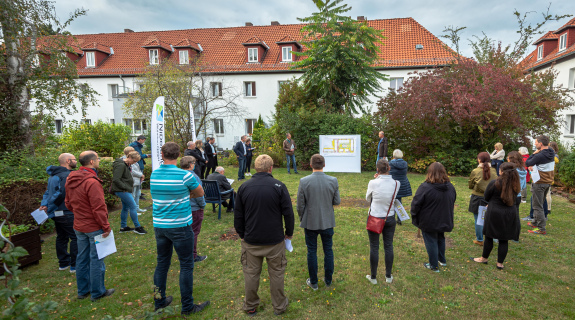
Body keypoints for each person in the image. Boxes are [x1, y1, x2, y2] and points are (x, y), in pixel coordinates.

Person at [150, 142, 210, 315]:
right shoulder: (185, 176)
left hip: (160, 225)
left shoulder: (154, 174)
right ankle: (188, 306)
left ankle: (158, 300)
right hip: (180, 226)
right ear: (178, 156)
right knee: (186, 265)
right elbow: (200, 193)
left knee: (161, 264)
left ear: (162, 154)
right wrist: (185, 194)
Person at [234, 154, 294, 316]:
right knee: (276, 274)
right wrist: (289, 233)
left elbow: (238, 215)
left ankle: (253, 305)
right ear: (270, 168)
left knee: (252, 274)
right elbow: (288, 213)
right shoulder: (278, 186)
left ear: (256, 168)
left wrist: (241, 233)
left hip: (256, 239)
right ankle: (278, 306)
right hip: (270, 240)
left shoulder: (245, 187)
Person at [65, 151, 114, 302]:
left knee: (82, 258)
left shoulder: (71, 179)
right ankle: (97, 292)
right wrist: (105, 226)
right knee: (96, 259)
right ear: (92, 162)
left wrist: (80, 213)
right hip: (92, 226)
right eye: (98, 158)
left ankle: (83, 291)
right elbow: (98, 207)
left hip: (79, 225)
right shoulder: (91, 181)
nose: (99, 160)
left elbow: (68, 203)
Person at [297, 154, 341, 290]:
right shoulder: (332, 180)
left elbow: (300, 206)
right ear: (324, 165)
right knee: (328, 250)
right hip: (327, 221)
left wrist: (302, 218)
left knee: (312, 251)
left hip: (310, 221)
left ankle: (314, 282)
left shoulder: (304, 181)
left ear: (311, 165)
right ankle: (328, 280)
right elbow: (337, 201)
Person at [471, 163, 521, 270]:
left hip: (494, 212)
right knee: (504, 239)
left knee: (489, 236)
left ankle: (484, 258)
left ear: (502, 171)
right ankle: (500, 263)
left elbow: (486, 196)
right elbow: (516, 199)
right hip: (509, 212)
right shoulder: (515, 184)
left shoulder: (495, 183)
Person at [411, 162, 456, 273]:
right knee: (440, 237)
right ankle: (441, 260)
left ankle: (434, 265)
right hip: (443, 218)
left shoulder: (428, 187)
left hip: (430, 220)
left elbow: (415, 204)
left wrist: (415, 214)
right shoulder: (448, 187)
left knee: (432, 240)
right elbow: (417, 203)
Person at [39, 153, 78, 273]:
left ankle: (63, 264)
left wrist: (45, 204)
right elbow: (60, 194)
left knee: (61, 237)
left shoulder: (53, 176)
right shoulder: (67, 175)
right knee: (75, 237)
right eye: (74, 159)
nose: (76, 161)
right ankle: (74, 265)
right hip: (65, 211)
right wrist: (50, 206)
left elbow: (47, 192)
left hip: (58, 213)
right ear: (68, 161)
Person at [365, 159, 399, 285]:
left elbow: (368, 198)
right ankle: (388, 276)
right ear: (389, 168)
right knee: (388, 246)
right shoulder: (396, 183)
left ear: (378, 170)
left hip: (375, 216)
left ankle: (373, 277)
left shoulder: (373, 183)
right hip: (389, 217)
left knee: (374, 247)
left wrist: (375, 180)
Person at [525, 135, 555, 235]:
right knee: (540, 203)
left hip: (539, 182)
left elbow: (527, 162)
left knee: (537, 206)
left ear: (541, 144)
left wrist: (534, 153)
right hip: (547, 182)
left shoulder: (540, 155)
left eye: (536, 142)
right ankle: (535, 222)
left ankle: (541, 228)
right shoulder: (551, 151)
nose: (535, 144)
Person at [180, 156, 208, 263]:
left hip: (183, 207)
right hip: (194, 208)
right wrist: (202, 205)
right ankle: (192, 255)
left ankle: (185, 253)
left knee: (185, 232)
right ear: (191, 164)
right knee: (193, 232)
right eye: (194, 163)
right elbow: (199, 194)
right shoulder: (193, 177)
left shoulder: (179, 175)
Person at [111, 151, 147, 234]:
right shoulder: (120, 165)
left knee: (126, 208)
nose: (134, 163)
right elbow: (116, 179)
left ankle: (123, 227)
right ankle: (137, 227)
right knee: (133, 206)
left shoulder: (126, 165)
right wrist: (126, 187)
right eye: (134, 161)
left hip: (124, 189)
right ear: (129, 157)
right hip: (122, 190)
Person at [468, 152, 497, 246]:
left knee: (478, 219)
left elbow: (470, 184)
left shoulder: (475, 171)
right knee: (488, 218)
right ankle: (492, 237)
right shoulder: (493, 171)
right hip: (490, 198)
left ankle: (480, 239)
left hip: (477, 197)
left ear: (479, 160)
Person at [389, 149, 412, 225]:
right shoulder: (405, 163)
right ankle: (399, 219)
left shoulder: (391, 163)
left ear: (393, 155)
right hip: (402, 184)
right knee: (399, 201)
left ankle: (392, 218)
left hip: (393, 184)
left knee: (392, 201)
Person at [123, 146, 146, 214]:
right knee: (132, 196)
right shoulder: (127, 161)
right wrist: (141, 175)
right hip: (132, 181)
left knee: (137, 194)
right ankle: (132, 211)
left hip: (137, 181)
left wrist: (141, 176)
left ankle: (137, 208)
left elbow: (137, 170)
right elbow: (132, 171)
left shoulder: (134, 160)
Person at [129, 135, 150, 200]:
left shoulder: (134, 145)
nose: (144, 142)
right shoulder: (136, 146)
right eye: (143, 140)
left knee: (139, 180)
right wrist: (146, 156)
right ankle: (138, 194)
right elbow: (139, 155)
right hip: (138, 164)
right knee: (139, 180)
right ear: (140, 139)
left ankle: (139, 193)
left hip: (137, 164)